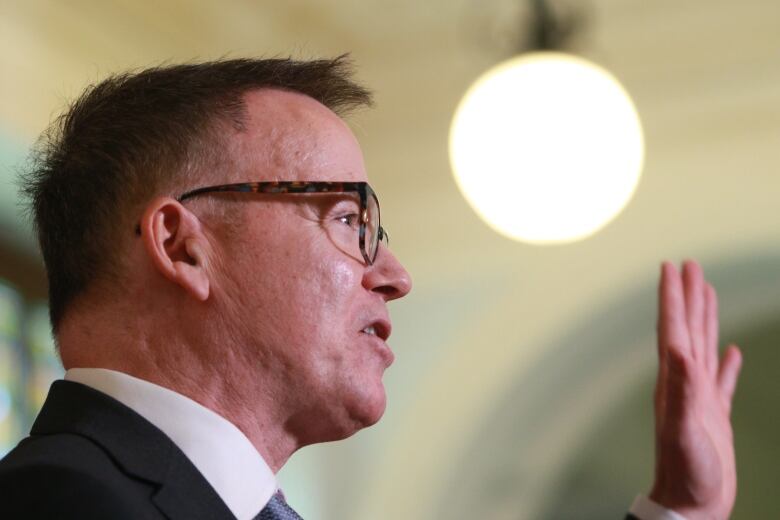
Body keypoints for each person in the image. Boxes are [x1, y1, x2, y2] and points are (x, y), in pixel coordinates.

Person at [0, 57, 742, 520]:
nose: (394, 275)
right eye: (348, 218)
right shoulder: (60, 501)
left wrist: (680, 509)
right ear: (181, 244)